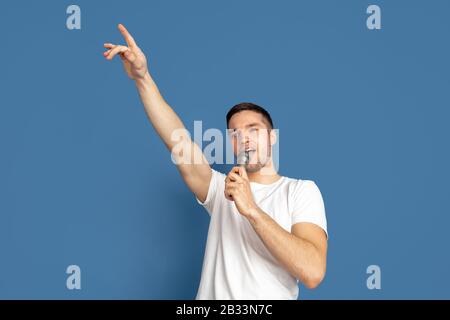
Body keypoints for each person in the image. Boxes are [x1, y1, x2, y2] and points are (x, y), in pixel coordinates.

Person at [103, 24, 328, 300]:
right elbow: (178, 141)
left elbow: (313, 272)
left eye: (253, 130)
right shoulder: (221, 189)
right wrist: (142, 77)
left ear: (272, 138)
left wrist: (252, 211)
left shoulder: (300, 191)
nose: (244, 139)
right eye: (235, 134)